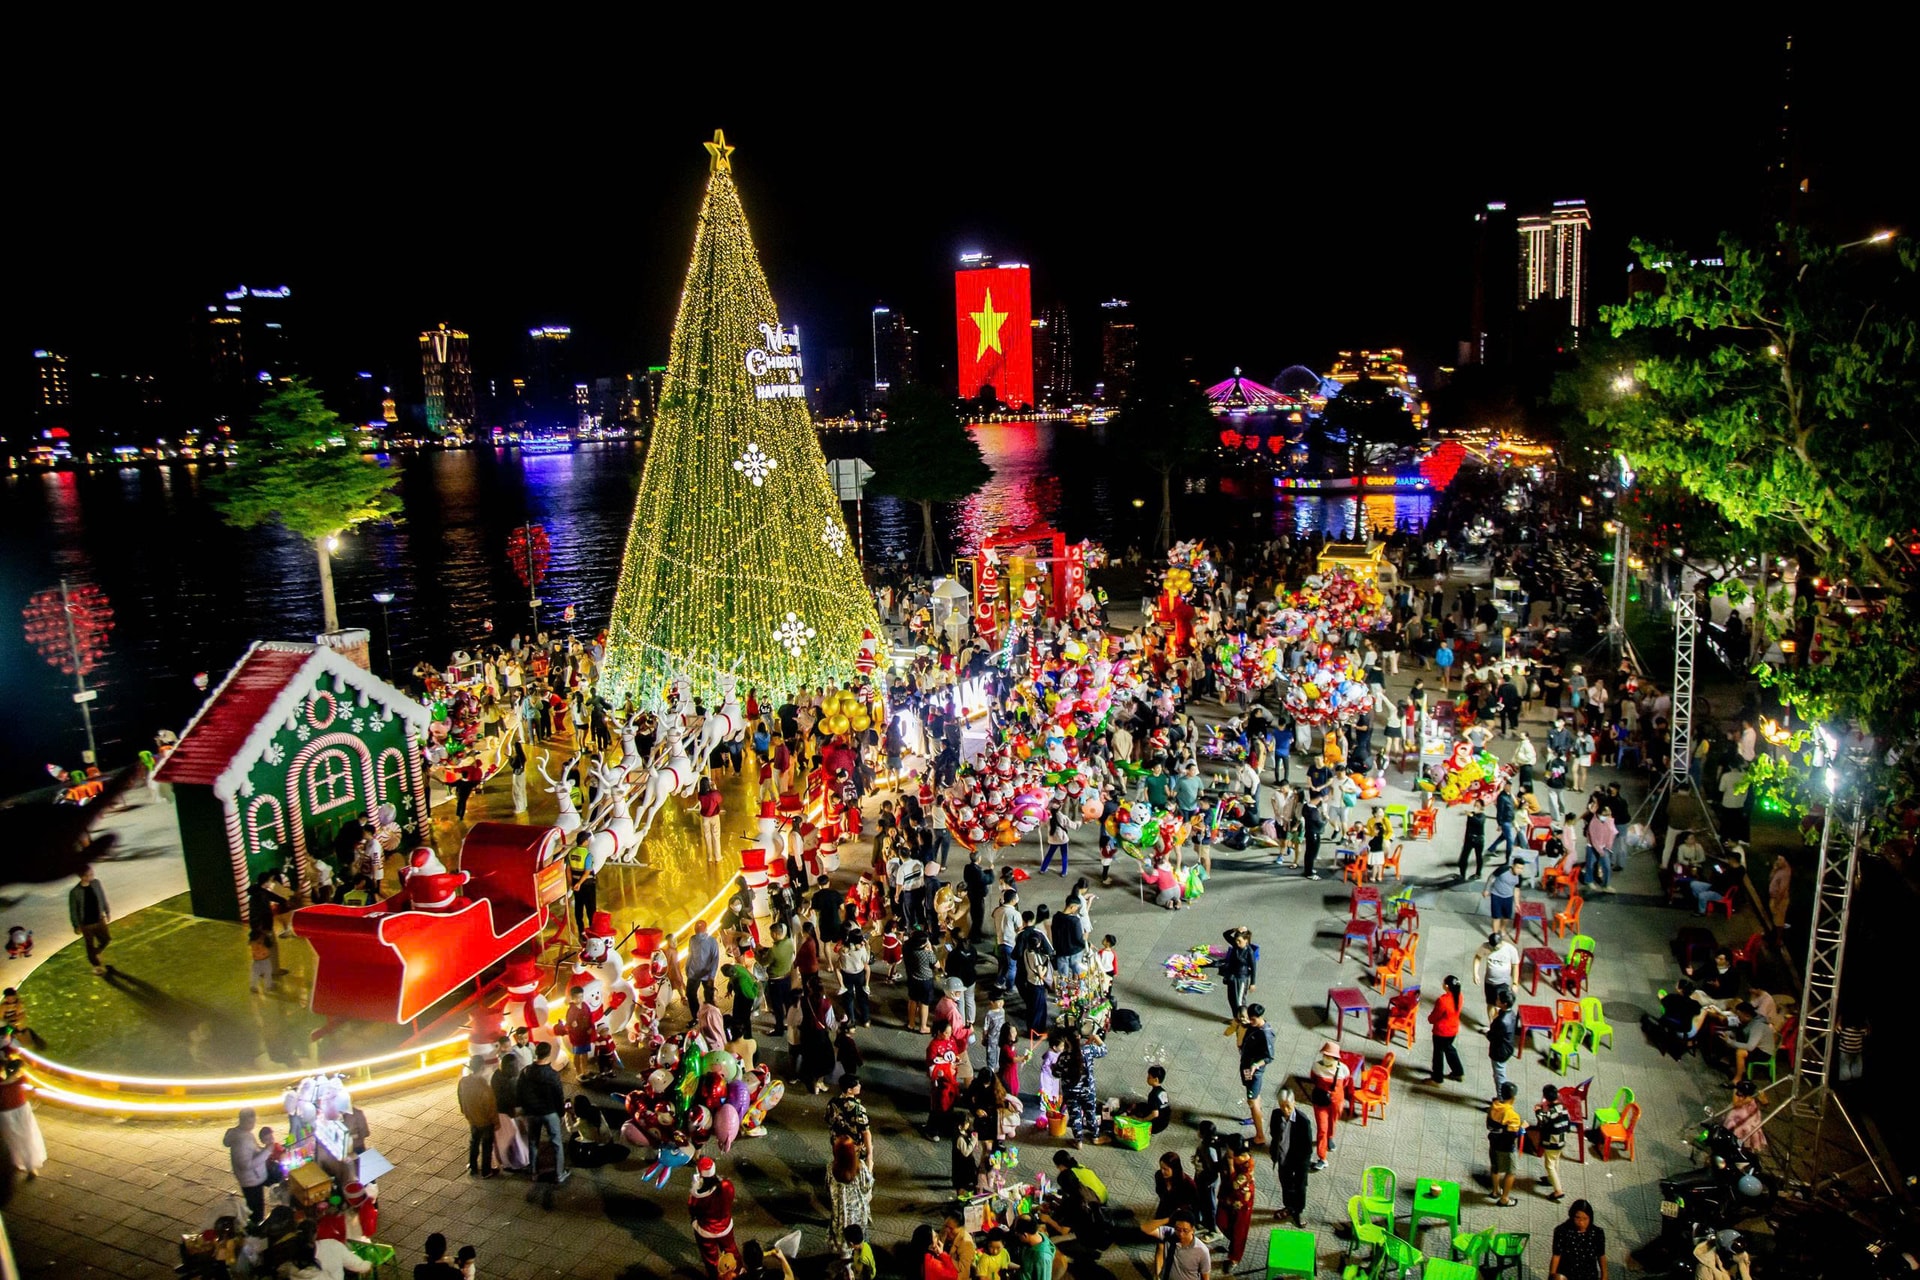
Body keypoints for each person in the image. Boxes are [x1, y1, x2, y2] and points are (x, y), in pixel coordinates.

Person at [519, 1041, 568, 1183]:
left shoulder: (526, 1071)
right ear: (548, 1054)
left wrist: (524, 1109)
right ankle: (559, 1173)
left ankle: (534, 1172)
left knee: (533, 1142)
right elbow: (559, 1095)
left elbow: (520, 1092)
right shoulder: (552, 1074)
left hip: (532, 1113)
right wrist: (562, 1112)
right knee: (556, 1143)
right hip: (549, 1112)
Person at [1267, 1089, 1314, 1225]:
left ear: (1294, 1103)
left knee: (1299, 1187)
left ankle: (1298, 1212)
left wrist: (1301, 1166)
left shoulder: (1303, 1121)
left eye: (1288, 1106)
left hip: (1299, 1162)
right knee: (1286, 1184)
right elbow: (1273, 1133)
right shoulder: (1276, 1115)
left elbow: (1307, 1148)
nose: (1285, 1109)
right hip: (1283, 1159)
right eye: (1282, 1106)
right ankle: (1288, 1206)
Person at [223, 1107, 272, 1227]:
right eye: (252, 1121)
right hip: (251, 1180)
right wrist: (267, 1152)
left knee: (254, 1205)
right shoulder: (242, 1140)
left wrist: (262, 1150)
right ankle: (256, 1231)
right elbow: (246, 1165)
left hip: (251, 1178)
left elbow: (252, 1151)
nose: (254, 1124)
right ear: (244, 1121)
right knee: (256, 1209)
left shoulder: (241, 1133)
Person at [1305, 1040, 1349, 1169]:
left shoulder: (1343, 1069)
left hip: (1337, 1101)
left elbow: (1345, 1082)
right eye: (1325, 1055)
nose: (1326, 1058)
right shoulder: (1316, 1066)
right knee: (1322, 1128)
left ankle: (1330, 1138)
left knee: (1333, 1121)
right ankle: (1322, 1157)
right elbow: (1313, 1079)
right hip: (1321, 1101)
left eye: (1329, 1056)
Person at [1214, 1133, 1256, 1266]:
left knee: (1239, 1231)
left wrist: (1231, 1167)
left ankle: (1234, 1257)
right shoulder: (1230, 1156)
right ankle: (1233, 1242)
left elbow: (1237, 1185)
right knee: (1221, 1221)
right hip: (1226, 1196)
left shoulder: (1247, 1166)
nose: (1227, 1151)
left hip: (1241, 1201)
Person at [828, 1132, 875, 1251]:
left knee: (843, 1237)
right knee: (859, 1235)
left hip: (840, 1212)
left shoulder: (830, 1168)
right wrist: (870, 1166)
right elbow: (867, 1186)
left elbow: (828, 1186)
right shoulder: (860, 1168)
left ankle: (846, 1261)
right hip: (858, 1211)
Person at [1237, 1003, 1276, 1145]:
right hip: (1247, 1068)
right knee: (1252, 1093)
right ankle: (1256, 1116)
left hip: (1254, 1072)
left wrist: (1256, 1065)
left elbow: (1269, 1057)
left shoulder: (1266, 1033)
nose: (1250, 1022)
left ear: (1259, 1017)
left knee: (1252, 1100)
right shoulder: (1253, 1027)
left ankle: (1260, 1136)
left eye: (1252, 1019)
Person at [457, 1055, 498, 1178]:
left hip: (472, 1119)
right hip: (485, 1122)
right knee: (486, 1146)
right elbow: (491, 1109)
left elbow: (460, 1098)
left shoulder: (463, 1082)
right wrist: (495, 1121)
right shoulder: (485, 1088)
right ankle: (486, 1171)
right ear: (482, 1067)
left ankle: (473, 1166)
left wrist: (465, 1111)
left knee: (474, 1142)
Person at [1549, 1198, 1609, 1280]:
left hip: (1588, 1275)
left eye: (1585, 1219)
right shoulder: (1562, 1231)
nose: (1581, 1222)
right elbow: (1556, 1255)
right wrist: (1552, 1276)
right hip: (1567, 1274)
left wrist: (1604, 1275)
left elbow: (1601, 1255)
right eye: (1577, 1218)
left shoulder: (1597, 1233)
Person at [69, 866, 112, 975]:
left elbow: (102, 897)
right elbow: (73, 910)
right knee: (90, 945)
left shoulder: (96, 883)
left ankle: (96, 953)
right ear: (82, 877)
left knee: (106, 939)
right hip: (86, 924)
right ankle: (96, 965)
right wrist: (76, 925)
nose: (91, 877)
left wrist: (107, 911)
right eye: (88, 875)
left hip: (99, 919)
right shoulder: (75, 892)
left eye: (92, 874)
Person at [1486, 1082, 1523, 1206]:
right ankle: (1504, 1199)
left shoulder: (1493, 1106)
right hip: (1506, 1147)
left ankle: (1495, 1190)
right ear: (1513, 1098)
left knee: (1495, 1167)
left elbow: (1489, 1125)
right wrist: (1522, 1127)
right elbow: (1513, 1134)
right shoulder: (1513, 1115)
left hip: (1493, 1142)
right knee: (1511, 1171)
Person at [1536, 1084, 1573, 1202]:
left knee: (1549, 1165)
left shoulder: (1550, 1112)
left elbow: (1542, 1120)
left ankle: (1558, 1190)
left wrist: (1538, 1111)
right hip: (1561, 1140)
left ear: (1545, 1097)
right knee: (1555, 1160)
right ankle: (1551, 1180)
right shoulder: (1563, 1108)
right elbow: (1568, 1124)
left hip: (1551, 1142)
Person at [1474, 931, 1521, 1023]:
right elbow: (1477, 957)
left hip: (1503, 983)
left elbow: (1515, 965)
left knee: (1502, 1004)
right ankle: (1492, 1024)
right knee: (1490, 1003)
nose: (1494, 949)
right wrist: (1475, 973)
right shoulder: (1486, 946)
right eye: (1492, 947)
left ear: (1501, 942)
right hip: (1489, 982)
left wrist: (1515, 983)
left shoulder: (1510, 950)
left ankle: (1500, 1024)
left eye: (1496, 947)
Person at [1427, 974, 1465, 1085]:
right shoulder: (1459, 996)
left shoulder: (1443, 1000)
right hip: (1452, 1029)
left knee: (1438, 1054)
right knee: (1449, 1049)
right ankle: (1458, 1071)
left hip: (1441, 1032)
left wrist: (1430, 1019)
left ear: (1447, 986)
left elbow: (1435, 1016)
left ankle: (1437, 1078)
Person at [1217, 927, 1256, 1031]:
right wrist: (1234, 929)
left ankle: (1244, 1020)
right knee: (1232, 999)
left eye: (1240, 941)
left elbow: (1253, 968)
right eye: (1236, 940)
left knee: (1240, 1002)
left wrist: (1253, 983)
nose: (1237, 943)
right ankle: (1236, 1018)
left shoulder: (1249, 952)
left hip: (1241, 978)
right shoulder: (1235, 946)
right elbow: (1225, 934)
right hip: (1232, 976)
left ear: (1246, 941)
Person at [686, 920, 721, 1020]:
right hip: (694, 973)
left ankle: (712, 1015)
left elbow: (715, 959)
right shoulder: (692, 940)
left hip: (707, 974)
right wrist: (688, 969)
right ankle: (696, 1016)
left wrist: (712, 976)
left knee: (709, 995)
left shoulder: (712, 941)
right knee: (690, 994)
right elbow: (690, 954)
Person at [1487, 992, 1520, 1098]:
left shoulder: (1500, 1021)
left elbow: (1491, 1035)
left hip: (1500, 1052)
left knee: (1499, 1076)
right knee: (1499, 1073)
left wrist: (1494, 1021)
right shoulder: (1512, 1014)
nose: (1496, 1000)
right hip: (1507, 1048)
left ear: (1504, 1004)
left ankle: (1501, 1100)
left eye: (1498, 999)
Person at [1482, 862, 1521, 936]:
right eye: (1518, 867)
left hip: (1508, 897)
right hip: (1496, 895)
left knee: (1507, 916)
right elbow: (1491, 877)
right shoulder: (1503, 869)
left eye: (1521, 868)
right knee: (1496, 917)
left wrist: (1517, 903)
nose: (1519, 870)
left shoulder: (1519, 877)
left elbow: (1516, 890)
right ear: (1513, 866)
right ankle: (1495, 934)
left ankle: (1502, 928)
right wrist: (1487, 889)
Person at [697, 776, 725, 863]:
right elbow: (720, 799)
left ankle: (709, 857)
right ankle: (718, 856)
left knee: (707, 837)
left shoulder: (700, 795)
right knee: (716, 836)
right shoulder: (713, 794)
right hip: (714, 816)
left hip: (705, 818)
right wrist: (715, 789)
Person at [1458, 801, 1487, 880]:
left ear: (1481, 807)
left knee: (1479, 857)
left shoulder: (1482, 816)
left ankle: (1478, 874)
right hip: (1469, 839)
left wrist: (1471, 816)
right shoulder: (1471, 814)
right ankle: (1462, 875)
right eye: (1475, 805)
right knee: (1463, 857)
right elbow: (1468, 827)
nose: (1475, 807)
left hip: (1478, 840)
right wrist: (1465, 838)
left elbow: (1479, 822)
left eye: (1477, 806)